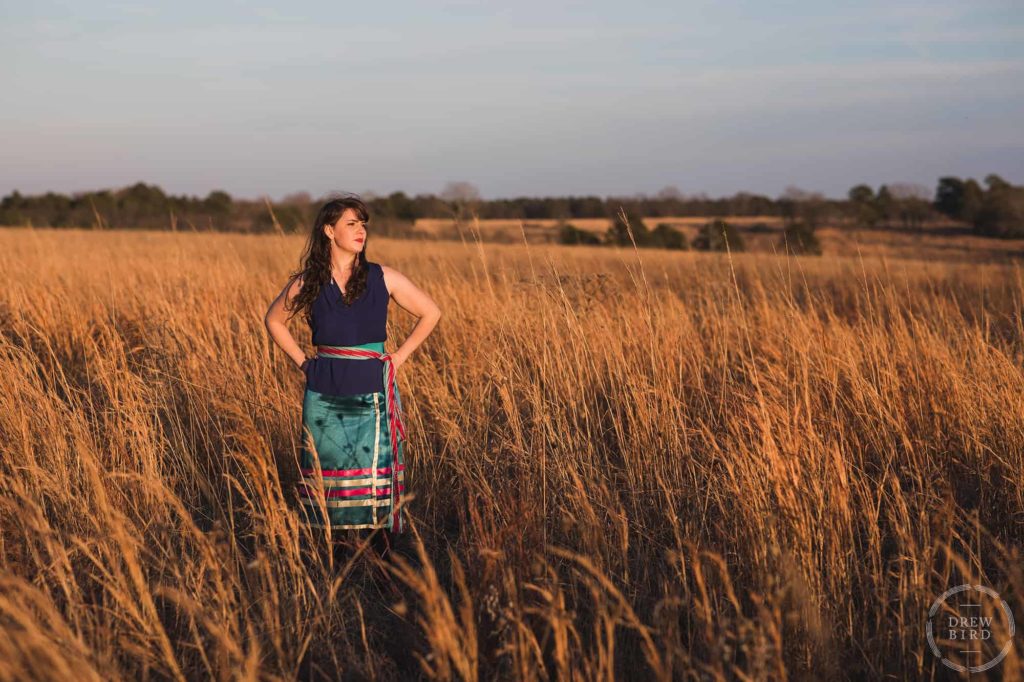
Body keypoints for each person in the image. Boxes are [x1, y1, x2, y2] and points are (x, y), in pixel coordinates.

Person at [264, 194, 441, 570]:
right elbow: (274, 320)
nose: (361, 231)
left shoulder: (383, 276)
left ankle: (382, 565)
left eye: (363, 224)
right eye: (351, 224)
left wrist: (399, 356)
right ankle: (336, 561)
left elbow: (431, 312)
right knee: (330, 478)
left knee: (375, 477)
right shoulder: (308, 282)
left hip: (372, 389)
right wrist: (304, 363)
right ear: (329, 231)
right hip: (324, 389)